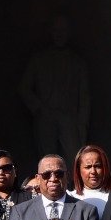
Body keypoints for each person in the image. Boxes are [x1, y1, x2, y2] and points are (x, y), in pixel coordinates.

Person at [19, 14, 90, 163]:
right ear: (50, 32)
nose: (59, 34)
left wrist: (82, 122)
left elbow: (84, 96)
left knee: (75, 159)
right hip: (45, 117)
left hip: (69, 118)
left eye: (63, 30)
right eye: (56, 30)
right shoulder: (38, 60)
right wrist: (38, 109)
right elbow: (24, 88)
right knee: (47, 159)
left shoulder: (77, 63)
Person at [71, 144, 111, 209]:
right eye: (88, 167)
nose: (93, 171)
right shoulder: (70, 197)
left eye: (97, 166)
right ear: (78, 170)